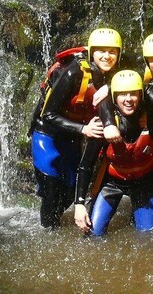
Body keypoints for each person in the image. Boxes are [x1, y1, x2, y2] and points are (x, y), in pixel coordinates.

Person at [30, 28, 121, 228]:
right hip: (48, 134)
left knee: (71, 191)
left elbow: (144, 64)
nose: (107, 56)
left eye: (112, 52)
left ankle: (54, 223)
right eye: (101, 51)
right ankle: (48, 232)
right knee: (51, 189)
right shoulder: (74, 72)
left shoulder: (114, 72)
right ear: (91, 52)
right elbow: (49, 114)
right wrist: (83, 130)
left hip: (72, 136)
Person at [73, 70, 153, 236]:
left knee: (146, 236)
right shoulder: (104, 125)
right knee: (93, 236)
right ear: (114, 98)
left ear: (140, 96)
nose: (128, 99)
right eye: (122, 95)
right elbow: (85, 165)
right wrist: (79, 204)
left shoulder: (152, 117)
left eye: (133, 94)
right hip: (113, 183)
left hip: (144, 183)